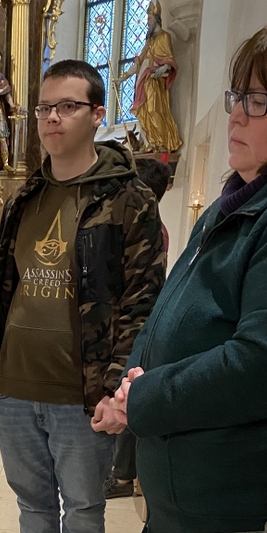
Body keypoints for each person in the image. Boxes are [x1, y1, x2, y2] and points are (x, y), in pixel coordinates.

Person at [0, 59, 165, 533]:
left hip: (84, 390)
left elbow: (142, 302)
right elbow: (4, 289)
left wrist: (116, 385)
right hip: (18, 386)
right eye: (44, 108)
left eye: (66, 106)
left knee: (84, 507)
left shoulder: (128, 199)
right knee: (31, 500)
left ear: (97, 114)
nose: (51, 118)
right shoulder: (25, 197)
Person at [102, 25, 267, 533]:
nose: (236, 115)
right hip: (180, 502)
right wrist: (129, 383)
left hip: (227, 510)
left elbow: (258, 364)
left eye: (258, 101)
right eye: (237, 97)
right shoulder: (224, 208)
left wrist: (144, 397)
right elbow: (165, 314)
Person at [105, 155, 172, 500]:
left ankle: (121, 475)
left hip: (132, 327)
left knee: (127, 393)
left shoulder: (148, 227)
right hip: (126, 325)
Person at [119, 0, 182, 153]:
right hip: (145, 80)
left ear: (156, 19)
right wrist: (122, 78)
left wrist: (166, 66)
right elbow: (139, 61)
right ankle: (152, 143)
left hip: (156, 80)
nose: (147, 22)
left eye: (149, 18)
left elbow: (169, 58)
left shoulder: (164, 37)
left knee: (155, 110)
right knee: (146, 111)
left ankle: (162, 142)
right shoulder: (150, 40)